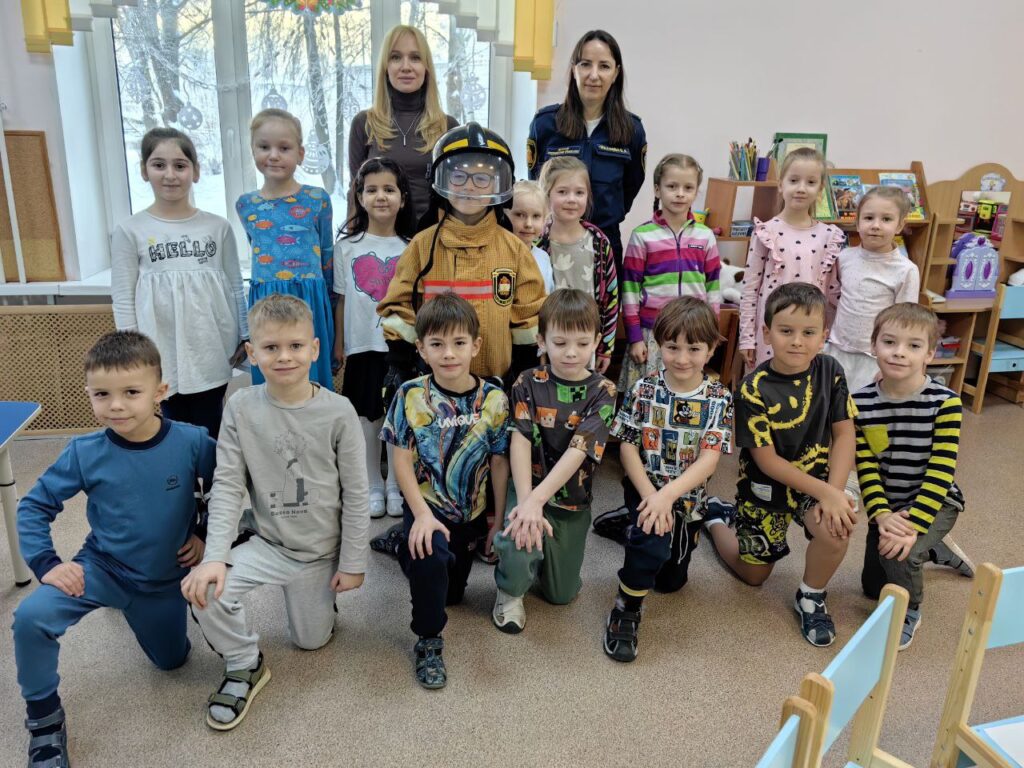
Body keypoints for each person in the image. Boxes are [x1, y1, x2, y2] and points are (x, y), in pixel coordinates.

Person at [13, 331, 215, 768]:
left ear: (160, 392)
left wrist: (203, 533)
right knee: (30, 618)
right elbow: (32, 507)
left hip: (164, 579)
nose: (116, 406)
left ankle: (139, 614)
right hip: (102, 568)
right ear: (89, 393)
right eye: (102, 394)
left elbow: (229, 487)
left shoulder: (193, 441)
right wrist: (47, 564)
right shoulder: (84, 451)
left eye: (131, 392)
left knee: (173, 662)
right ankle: (45, 726)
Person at [181, 294, 369, 731]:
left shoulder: (339, 411)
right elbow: (228, 485)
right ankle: (244, 665)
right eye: (271, 347)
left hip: (320, 552)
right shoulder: (241, 407)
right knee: (206, 591)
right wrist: (214, 557)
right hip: (268, 544)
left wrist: (353, 562)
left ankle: (322, 605)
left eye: (295, 346)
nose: (284, 356)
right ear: (251, 353)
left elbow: (357, 493)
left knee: (310, 642)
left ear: (315, 349)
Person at [703, 283, 857, 647]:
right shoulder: (752, 389)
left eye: (809, 333)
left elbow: (844, 435)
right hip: (764, 490)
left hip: (816, 483)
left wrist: (834, 494)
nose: (797, 342)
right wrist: (827, 493)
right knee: (753, 576)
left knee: (837, 527)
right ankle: (715, 519)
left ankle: (811, 596)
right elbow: (767, 461)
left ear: (824, 335)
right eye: (786, 331)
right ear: (767, 332)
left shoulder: (831, 370)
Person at [381, 293, 510, 688]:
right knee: (429, 558)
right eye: (437, 344)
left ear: (476, 345)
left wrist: (497, 519)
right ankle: (428, 639)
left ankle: (401, 545)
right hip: (426, 506)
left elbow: (499, 462)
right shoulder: (410, 395)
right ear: (421, 348)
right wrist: (420, 514)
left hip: (470, 512)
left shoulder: (494, 399)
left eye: (458, 343)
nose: (449, 353)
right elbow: (401, 459)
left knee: (452, 594)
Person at [603, 297, 733, 662]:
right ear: (659, 344)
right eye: (673, 347)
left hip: (686, 497)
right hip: (644, 488)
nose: (682, 358)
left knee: (670, 582)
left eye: (694, 349)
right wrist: (652, 497)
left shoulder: (719, 398)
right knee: (651, 542)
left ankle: (633, 526)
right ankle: (625, 609)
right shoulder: (643, 389)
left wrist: (667, 497)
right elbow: (627, 448)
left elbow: (709, 460)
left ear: (711, 349)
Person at [491, 289, 617, 633]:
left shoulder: (604, 391)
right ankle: (509, 590)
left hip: (571, 499)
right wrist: (526, 501)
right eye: (560, 343)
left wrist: (538, 501)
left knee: (561, 595)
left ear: (596, 342)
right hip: (526, 485)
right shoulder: (526, 382)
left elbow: (579, 450)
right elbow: (519, 439)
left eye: (582, 343)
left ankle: (544, 560)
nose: (571, 352)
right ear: (541, 341)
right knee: (520, 531)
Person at [111, 127, 247, 439]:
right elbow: (123, 296)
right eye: (159, 165)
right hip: (160, 347)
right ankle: (183, 471)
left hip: (211, 343)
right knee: (174, 424)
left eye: (180, 165)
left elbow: (235, 285)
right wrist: (131, 349)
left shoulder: (218, 227)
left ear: (195, 172)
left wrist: (244, 334)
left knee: (211, 421)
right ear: (144, 170)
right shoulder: (130, 230)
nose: (170, 174)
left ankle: (214, 471)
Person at [855, 304, 968, 649]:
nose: (899, 352)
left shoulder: (946, 403)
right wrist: (882, 515)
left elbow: (940, 472)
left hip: (936, 502)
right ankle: (934, 551)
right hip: (889, 506)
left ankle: (911, 611)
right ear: (874, 345)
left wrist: (915, 525)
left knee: (899, 556)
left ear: (930, 354)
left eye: (914, 345)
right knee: (873, 588)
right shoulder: (860, 403)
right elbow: (866, 467)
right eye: (889, 342)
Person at [334, 158, 417, 519]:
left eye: (389, 189)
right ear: (360, 197)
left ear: (403, 198)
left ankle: (397, 484)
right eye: (372, 190)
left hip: (400, 347)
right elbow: (341, 300)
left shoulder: (413, 246)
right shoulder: (346, 247)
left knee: (399, 416)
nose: (381, 196)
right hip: (362, 346)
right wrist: (340, 344)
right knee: (367, 417)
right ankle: (372, 483)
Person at [528, 29, 646, 268]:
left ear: (616, 73)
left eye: (604, 66)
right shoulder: (545, 124)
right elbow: (538, 184)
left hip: (606, 244)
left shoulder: (631, 130)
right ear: (574, 69)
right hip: (554, 244)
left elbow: (630, 187)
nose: (594, 75)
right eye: (585, 64)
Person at [236, 108, 335, 390]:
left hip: (310, 298)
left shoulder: (317, 199)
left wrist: (328, 307)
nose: (274, 155)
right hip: (266, 299)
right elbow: (257, 246)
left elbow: (327, 254)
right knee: (272, 378)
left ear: (300, 154)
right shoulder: (246, 205)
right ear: (253, 151)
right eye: (264, 147)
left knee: (311, 378)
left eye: (284, 148)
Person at [619, 153, 722, 393]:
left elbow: (713, 287)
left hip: (694, 331)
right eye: (672, 186)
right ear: (658, 190)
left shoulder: (705, 236)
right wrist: (635, 337)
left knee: (683, 394)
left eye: (688, 188)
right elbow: (630, 289)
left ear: (696, 192)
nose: (680, 193)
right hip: (652, 334)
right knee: (649, 396)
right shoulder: (642, 236)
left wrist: (712, 334)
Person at [739, 147, 845, 372]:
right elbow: (750, 289)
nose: (801, 188)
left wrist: (829, 337)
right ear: (781, 184)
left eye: (811, 182)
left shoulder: (830, 236)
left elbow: (832, 292)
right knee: (766, 385)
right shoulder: (766, 232)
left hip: (810, 335)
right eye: (794, 180)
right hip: (771, 333)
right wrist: (747, 338)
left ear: (820, 189)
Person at [348, 25, 458, 222]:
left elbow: (457, 195)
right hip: (379, 235)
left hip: (432, 235)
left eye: (415, 58)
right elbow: (356, 191)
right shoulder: (364, 123)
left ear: (426, 67)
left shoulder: (448, 127)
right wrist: (352, 237)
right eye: (396, 57)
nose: (406, 66)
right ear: (385, 67)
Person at [825, 185, 920, 391]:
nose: (875, 225)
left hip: (874, 358)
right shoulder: (844, 257)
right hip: (837, 349)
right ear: (857, 223)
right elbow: (832, 300)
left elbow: (906, 323)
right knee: (830, 402)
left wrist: (891, 363)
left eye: (886, 219)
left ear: (899, 225)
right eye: (868, 218)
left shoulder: (906, 270)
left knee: (863, 406)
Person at [536, 156, 618, 373]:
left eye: (579, 193)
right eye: (562, 192)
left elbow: (611, 299)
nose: (571, 199)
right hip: (548, 348)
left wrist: (606, 349)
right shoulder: (537, 242)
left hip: (585, 346)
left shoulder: (599, 242)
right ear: (547, 194)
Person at [508, 179, 555, 293]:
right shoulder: (497, 256)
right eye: (520, 215)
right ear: (506, 214)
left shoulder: (544, 258)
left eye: (536, 216)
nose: (528, 224)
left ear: (544, 219)